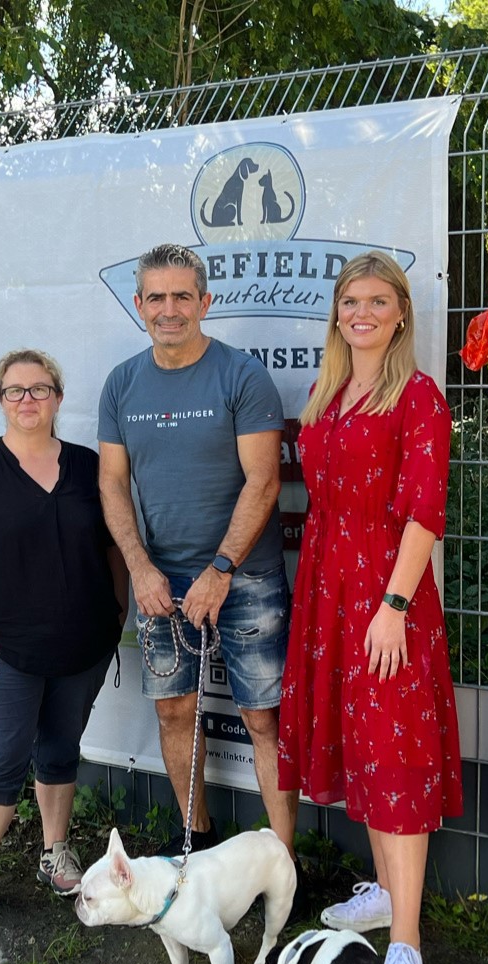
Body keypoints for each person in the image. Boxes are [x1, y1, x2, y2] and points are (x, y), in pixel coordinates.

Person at [277, 250, 462, 964]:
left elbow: (424, 512)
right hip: (329, 586)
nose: (362, 312)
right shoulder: (330, 389)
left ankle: (407, 946)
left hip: (387, 593)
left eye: (378, 301)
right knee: (362, 749)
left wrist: (392, 605)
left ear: (401, 314)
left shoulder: (418, 396)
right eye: (350, 300)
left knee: (393, 756)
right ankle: (385, 894)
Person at [98, 243, 299, 858]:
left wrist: (219, 571)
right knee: (173, 714)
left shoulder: (242, 375)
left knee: (264, 719)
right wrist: (139, 567)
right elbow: (111, 482)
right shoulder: (122, 382)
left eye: (182, 296)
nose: (169, 309)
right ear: (138, 305)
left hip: (247, 579)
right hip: (160, 581)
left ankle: (282, 861)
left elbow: (264, 482)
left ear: (205, 302)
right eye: (156, 297)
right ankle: (196, 842)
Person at [0, 348, 124, 927]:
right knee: (5, 753)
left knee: (61, 747)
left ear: (59, 398)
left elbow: (114, 544)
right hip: (2, 648)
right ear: (1, 402)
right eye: (15, 391)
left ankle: (54, 849)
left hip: (81, 644)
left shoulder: (90, 468)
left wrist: (115, 615)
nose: (27, 401)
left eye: (39, 390)